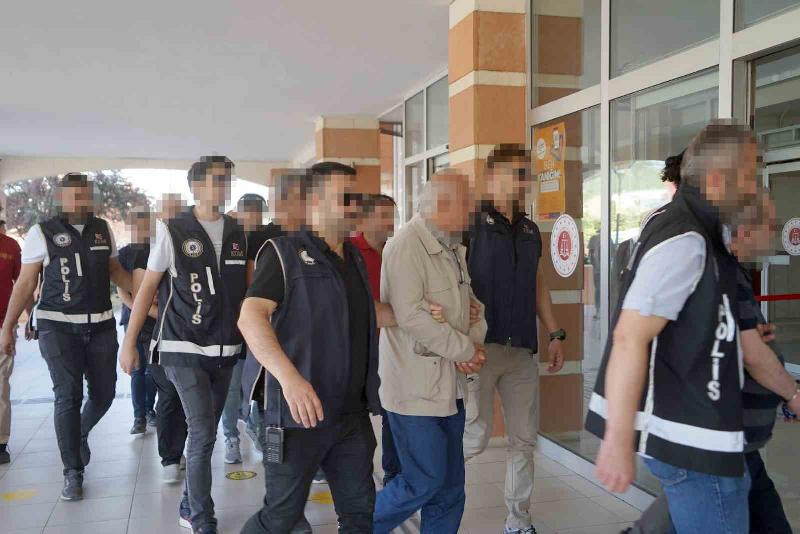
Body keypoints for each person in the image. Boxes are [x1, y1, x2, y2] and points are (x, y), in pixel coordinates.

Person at [585, 120, 763, 533]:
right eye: (749, 175)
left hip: (700, 435)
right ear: (717, 179)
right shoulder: (686, 238)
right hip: (692, 440)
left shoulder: (698, 230)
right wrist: (618, 439)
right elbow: (630, 336)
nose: (755, 188)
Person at [626, 159, 799, 534]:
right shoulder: (702, 255)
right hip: (709, 440)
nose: (773, 234)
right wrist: (793, 394)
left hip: (728, 441)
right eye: (768, 225)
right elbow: (749, 355)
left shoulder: (716, 261)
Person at [238, 162, 382, 533]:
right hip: (297, 416)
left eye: (356, 197)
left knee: (360, 514)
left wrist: (430, 314)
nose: (354, 206)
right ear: (315, 200)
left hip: (350, 414)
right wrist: (289, 379)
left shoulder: (352, 258)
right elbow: (250, 317)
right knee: (281, 517)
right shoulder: (284, 253)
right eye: (345, 198)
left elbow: (361, 312)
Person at [120, 156, 248, 534]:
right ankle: (201, 516)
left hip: (225, 350)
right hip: (182, 347)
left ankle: (190, 501)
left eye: (227, 180)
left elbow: (247, 290)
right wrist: (129, 343)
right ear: (196, 187)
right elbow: (146, 290)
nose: (223, 187)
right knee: (203, 431)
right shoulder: (172, 231)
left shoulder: (238, 232)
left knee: (206, 432)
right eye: (216, 180)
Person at [0, 173, 132, 500]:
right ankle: (73, 471)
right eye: (73, 195)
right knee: (67, 395)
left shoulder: (102, 229)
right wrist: (8, 326)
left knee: (104, 393)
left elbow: (115, 271)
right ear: (61, 199)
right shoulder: (42, 232)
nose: (80, 201)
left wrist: (146, 293)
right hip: (57, 326)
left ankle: (79, 433)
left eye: (85, 194)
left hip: (100, 323)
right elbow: (26, 282)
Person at [374, 169, 488, 534]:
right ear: (441, 204)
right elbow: (411, 317)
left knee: (451, 490)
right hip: (414, 391)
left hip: (451, 389)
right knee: (422, 481)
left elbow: (473, 308)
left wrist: (472, 344)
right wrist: (466, 350)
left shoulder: (454, 247)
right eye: (465, 203)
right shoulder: (406, 246)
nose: (471, 210)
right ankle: (358, 526)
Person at [463, 144, 565, 534]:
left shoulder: (529, 229)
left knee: (523, 440)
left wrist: (554, 332)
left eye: (527, 175)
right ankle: (433, 497)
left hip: (521, 349)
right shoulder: (471, 224)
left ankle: (518, 520)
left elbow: (538, 284)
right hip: (480, 349)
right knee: (474, 437)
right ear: (492, 176)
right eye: (517, 173)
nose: (524, 182)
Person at [240, 171, 309, 458]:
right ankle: (256, 423)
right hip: (272, 325)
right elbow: (252, 290)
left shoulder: (313, 239)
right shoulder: (263, 239)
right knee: (272, 388)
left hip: (305, 335)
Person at [349, 193, 400, 486]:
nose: (389, 222)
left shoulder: (397, 250)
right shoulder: (350, 252)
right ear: (364, 219)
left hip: (394, 345)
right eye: (382, 215)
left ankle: (392, 474)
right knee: (358, 415)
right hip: (361, 347)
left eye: (392, 215)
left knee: (392, 410)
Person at [219, 193, 268, 464]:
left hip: (257, 324)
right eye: (249, 216)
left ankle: (253, 425)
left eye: (257, 217)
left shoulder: (263, 240)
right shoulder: (226, 238)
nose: (253, 222)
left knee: (255, 383)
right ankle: (231, 436)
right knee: (231, 386)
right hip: (229, 325)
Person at [117, 206, 157, 434]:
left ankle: (149, 409)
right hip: (134, 319)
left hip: (155, 321)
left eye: (145, 221)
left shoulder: (158, 249)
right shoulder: (124, 254)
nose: (141, 226)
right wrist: (143, 310)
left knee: (153, 369)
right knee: (137, 369)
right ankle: (138, 416)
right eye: (136, 222)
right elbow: (122, 292)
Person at [0, 223, 21, 464]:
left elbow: (24, 281)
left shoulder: (10, 246)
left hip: (3, 324)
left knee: (1, 383)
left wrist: (31, 316)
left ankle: (0, 442)